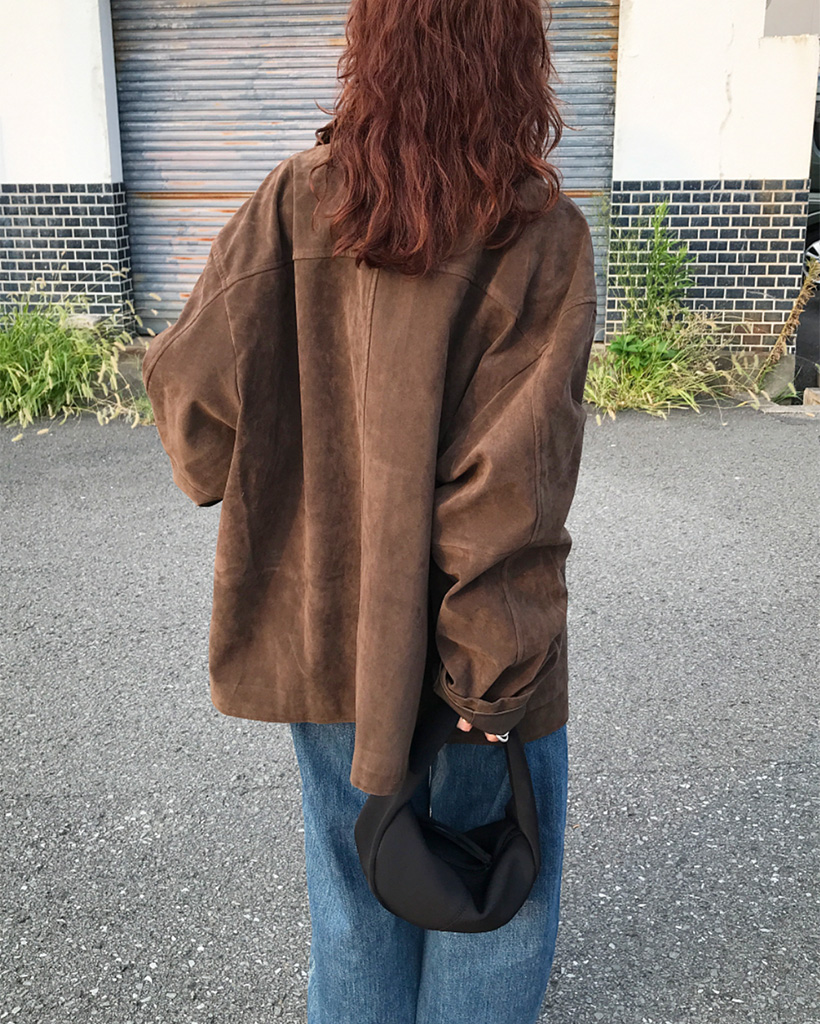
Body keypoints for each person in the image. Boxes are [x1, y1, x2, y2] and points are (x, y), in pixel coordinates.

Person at [141, 1, 597, 1021]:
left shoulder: (295, 201)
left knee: (354, 896)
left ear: (372, 47)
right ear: (517, 53)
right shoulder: (538, 231)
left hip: (328, 637)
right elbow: (512, 485)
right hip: (477, 655)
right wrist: (491, 678)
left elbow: (193, 400)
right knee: (490, 898)